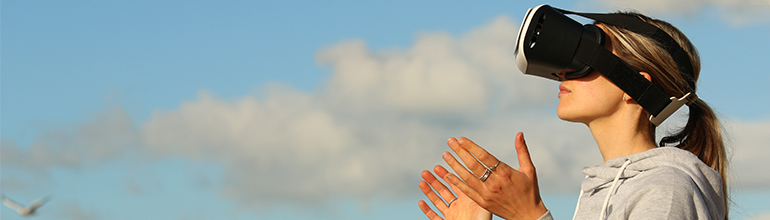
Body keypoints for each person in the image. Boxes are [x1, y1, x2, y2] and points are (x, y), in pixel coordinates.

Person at [417, 10, 728, 220]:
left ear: (633, 86)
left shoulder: (666, 190)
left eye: (584, 56)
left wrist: (529, 214)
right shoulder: (603, 189)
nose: (563, 71)